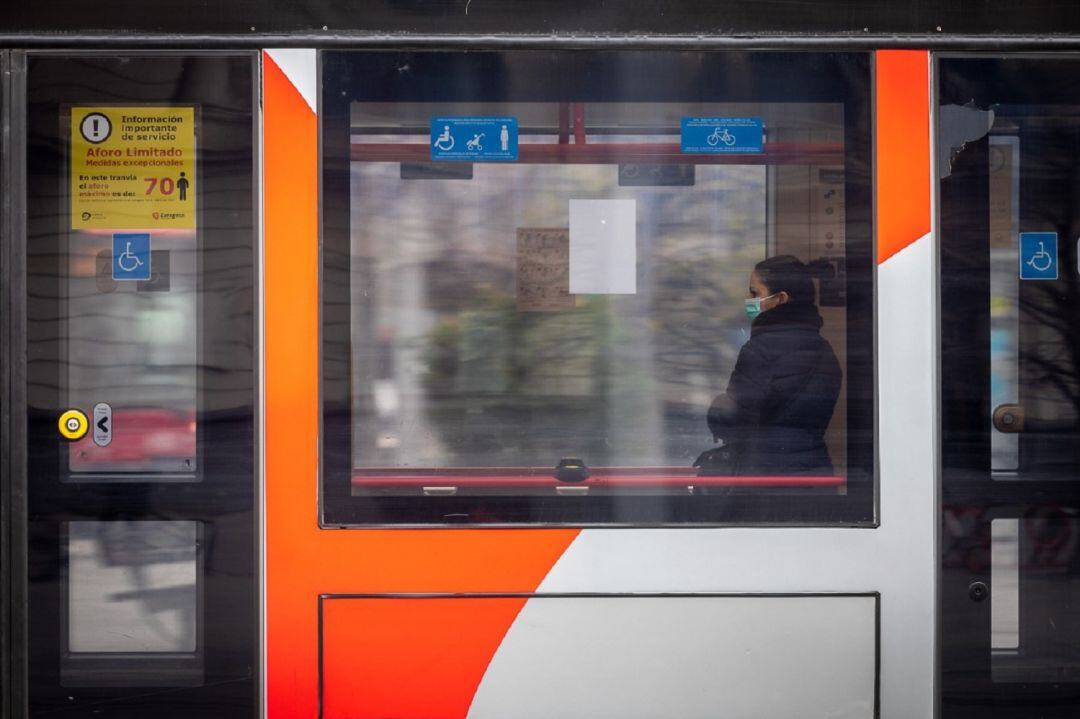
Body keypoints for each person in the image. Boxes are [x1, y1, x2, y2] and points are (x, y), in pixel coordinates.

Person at [702, 255, 841, 475]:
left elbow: (736, 419)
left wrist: (718, 407)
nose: (748, 300)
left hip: (766, 476)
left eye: (755, 293)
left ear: (780, 299)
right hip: (815, 472)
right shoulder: (826, 351)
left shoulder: (759, 351)